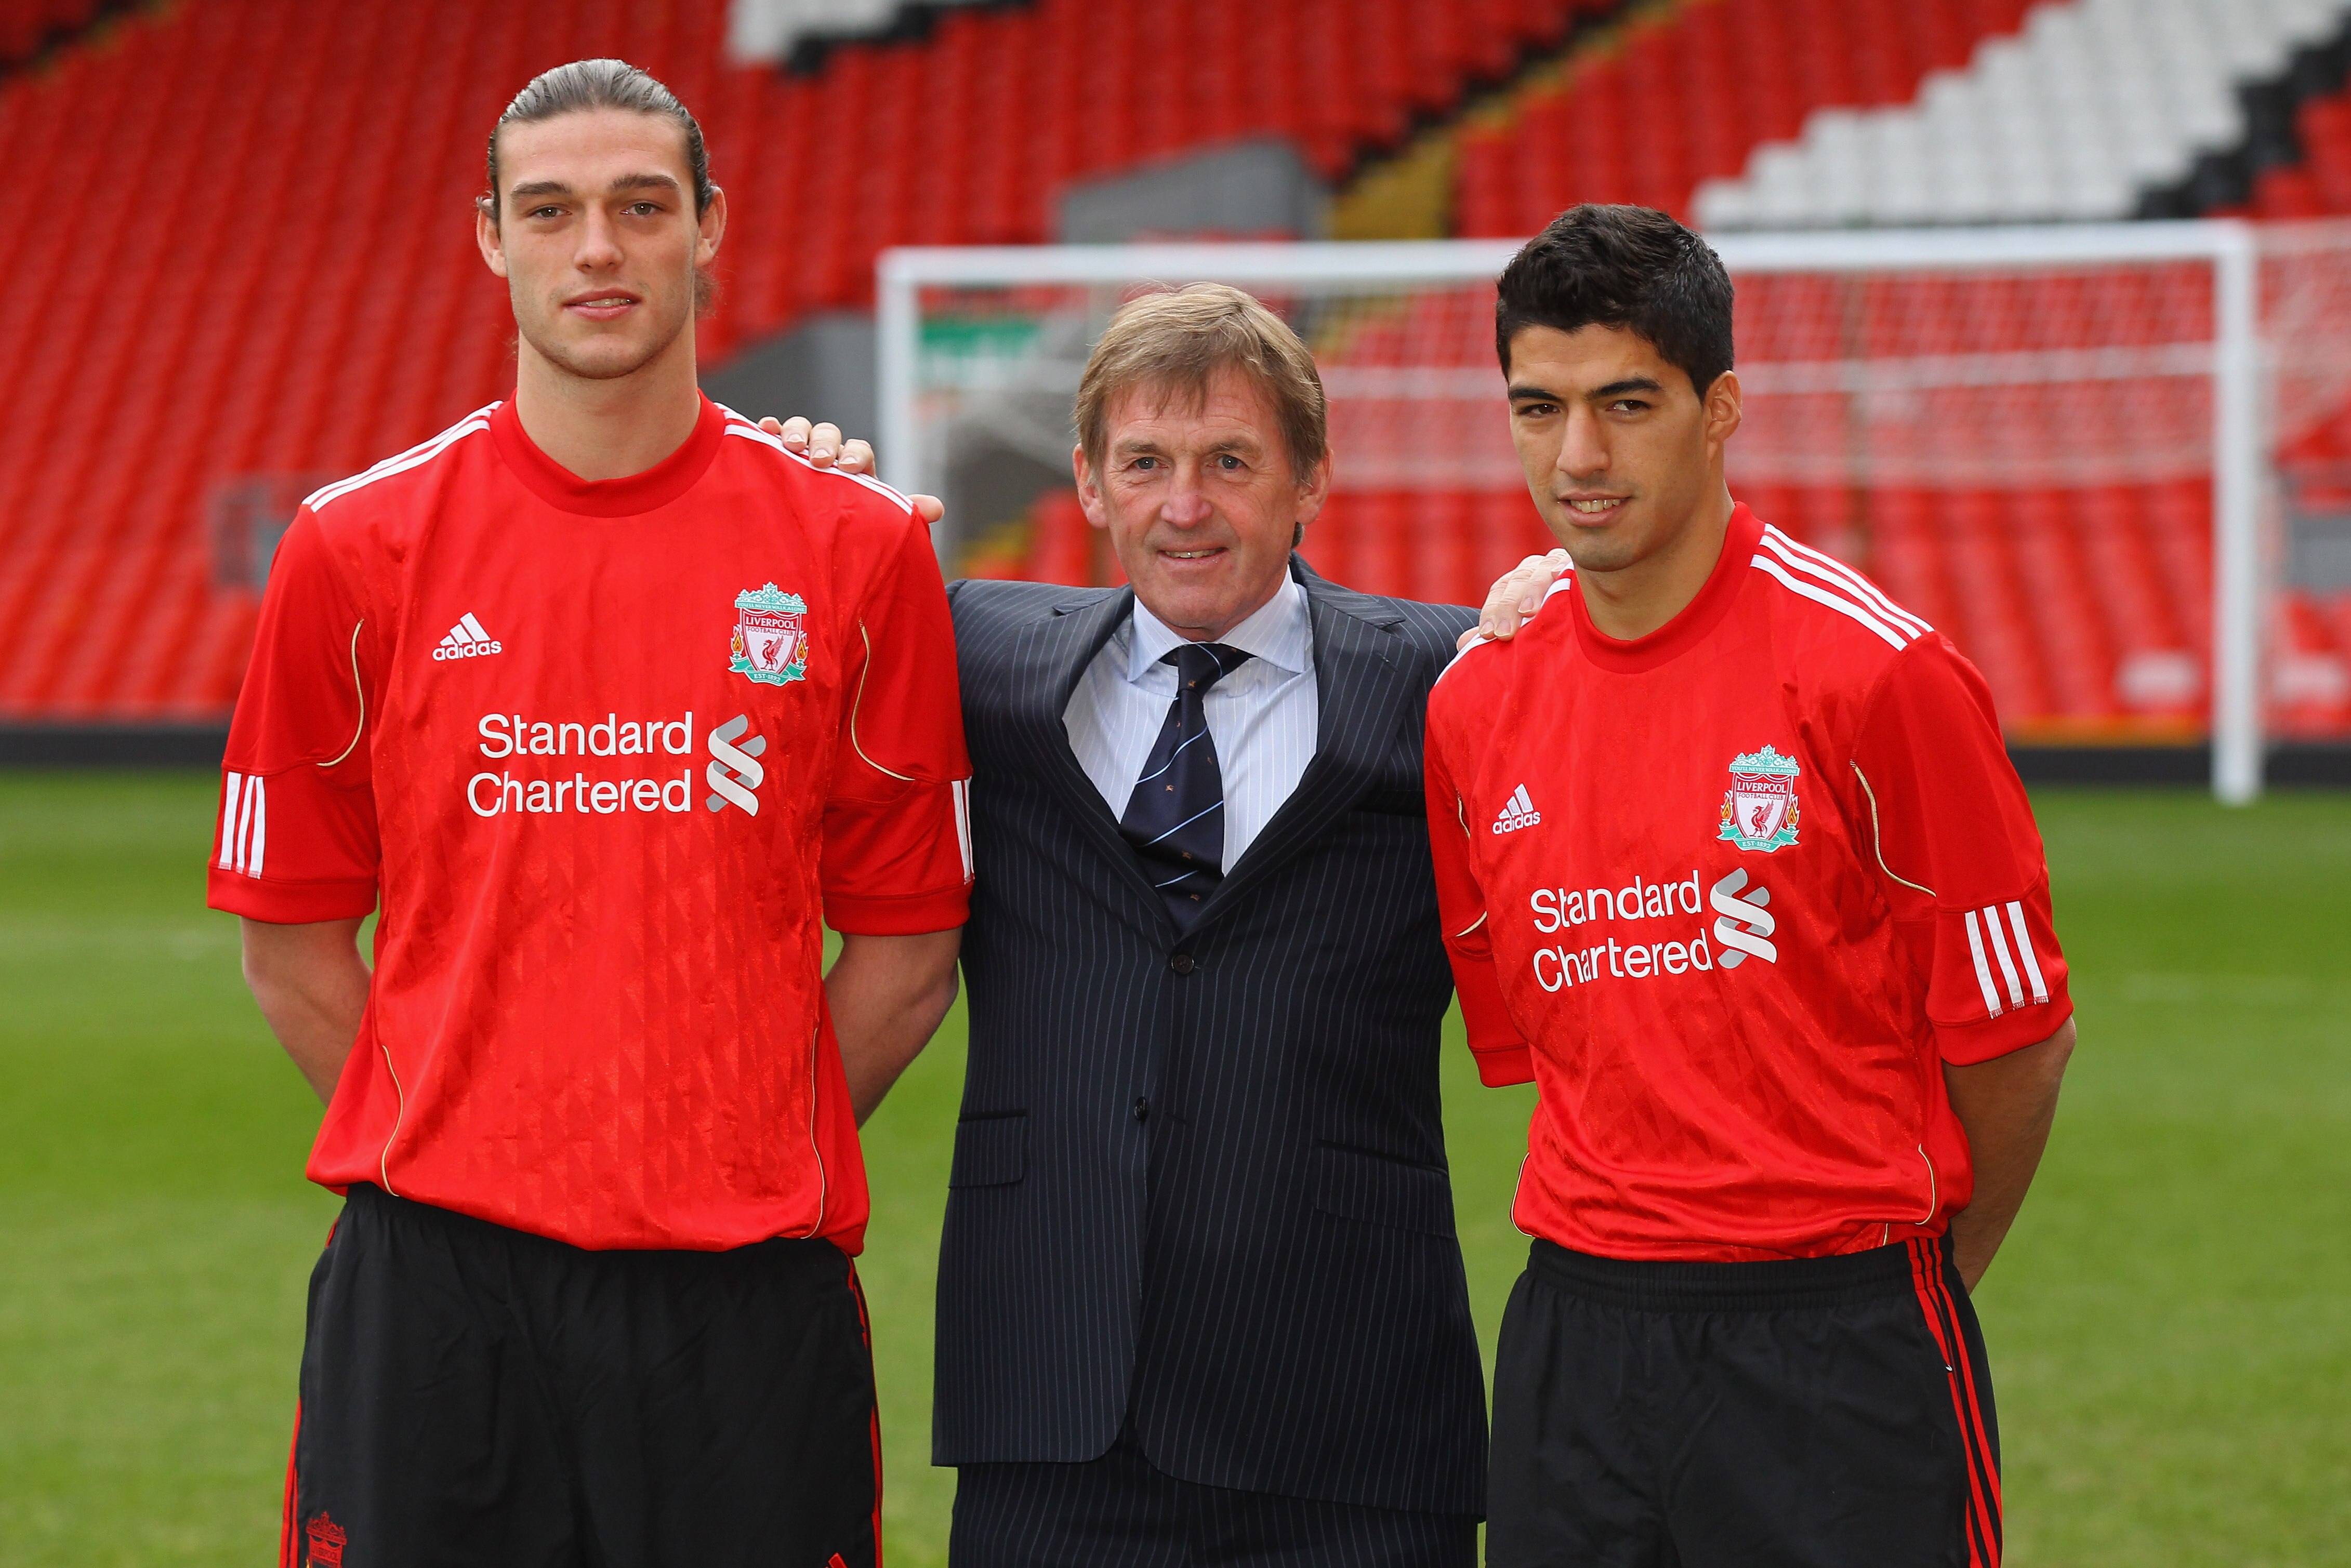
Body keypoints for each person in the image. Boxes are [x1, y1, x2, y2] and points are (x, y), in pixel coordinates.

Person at [207, 60, 969, 1568]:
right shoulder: (354, 549)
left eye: (639, 207)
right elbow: (292, 941)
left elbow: (905, 950)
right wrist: (465, 1140)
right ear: (491, 238)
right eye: (550, 212)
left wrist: (739, 1139)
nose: (598, 250)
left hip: (744, 1302)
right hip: (438, 1299)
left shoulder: (854, 549)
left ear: (709, 226)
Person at [1426, 203, 2077, 1567]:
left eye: (1625, 403)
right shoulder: (1475, 702)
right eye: (1536, 408)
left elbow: (2014, 1040)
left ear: (1719, 408)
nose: (1577, 456)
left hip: (1837, 1339)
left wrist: (1915, 1292)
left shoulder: (1878, 675)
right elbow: (1545, 1042)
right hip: (1573, 1333)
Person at [840, 284, 1488, 1566]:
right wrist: (805, 473)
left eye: (1230, 462)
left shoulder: (1450, 677)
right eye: (1146, 463)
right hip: (1052, 1408)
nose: (1184, 506)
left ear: (1310, 478)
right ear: (1087, 482)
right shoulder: (977, 654)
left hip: (1352, 1413)